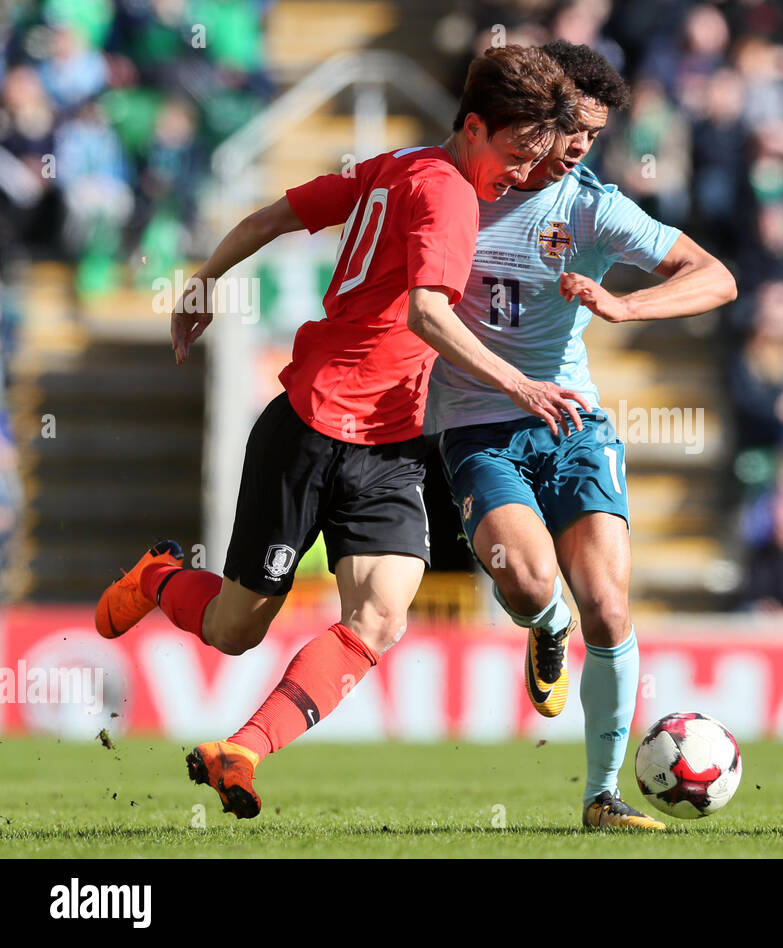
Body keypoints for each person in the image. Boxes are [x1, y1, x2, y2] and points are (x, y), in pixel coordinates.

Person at [94, 46, 582, 819]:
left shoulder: (398, 163)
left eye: (535, 157)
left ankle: (242, 749)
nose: (521, 172)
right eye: (516, 153)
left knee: (382, 616)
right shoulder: (449, 194)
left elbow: (275, 215)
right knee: (232, 632)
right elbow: (426, 311)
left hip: (389, 445)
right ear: (475, 127)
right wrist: (519, 382)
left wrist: (204, 279)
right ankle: (156, 576)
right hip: (310, 426)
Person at [426, 40, 736, 830]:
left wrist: (627, 306)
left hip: (573, 424)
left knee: (608, 602)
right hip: (478, 425)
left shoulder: (593, 206)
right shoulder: (452, 183)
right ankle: (545, 626)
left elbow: (717, 277)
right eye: (570, 129)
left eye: (593, 137)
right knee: (532, 586)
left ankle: (603, 796)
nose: (576, 149)